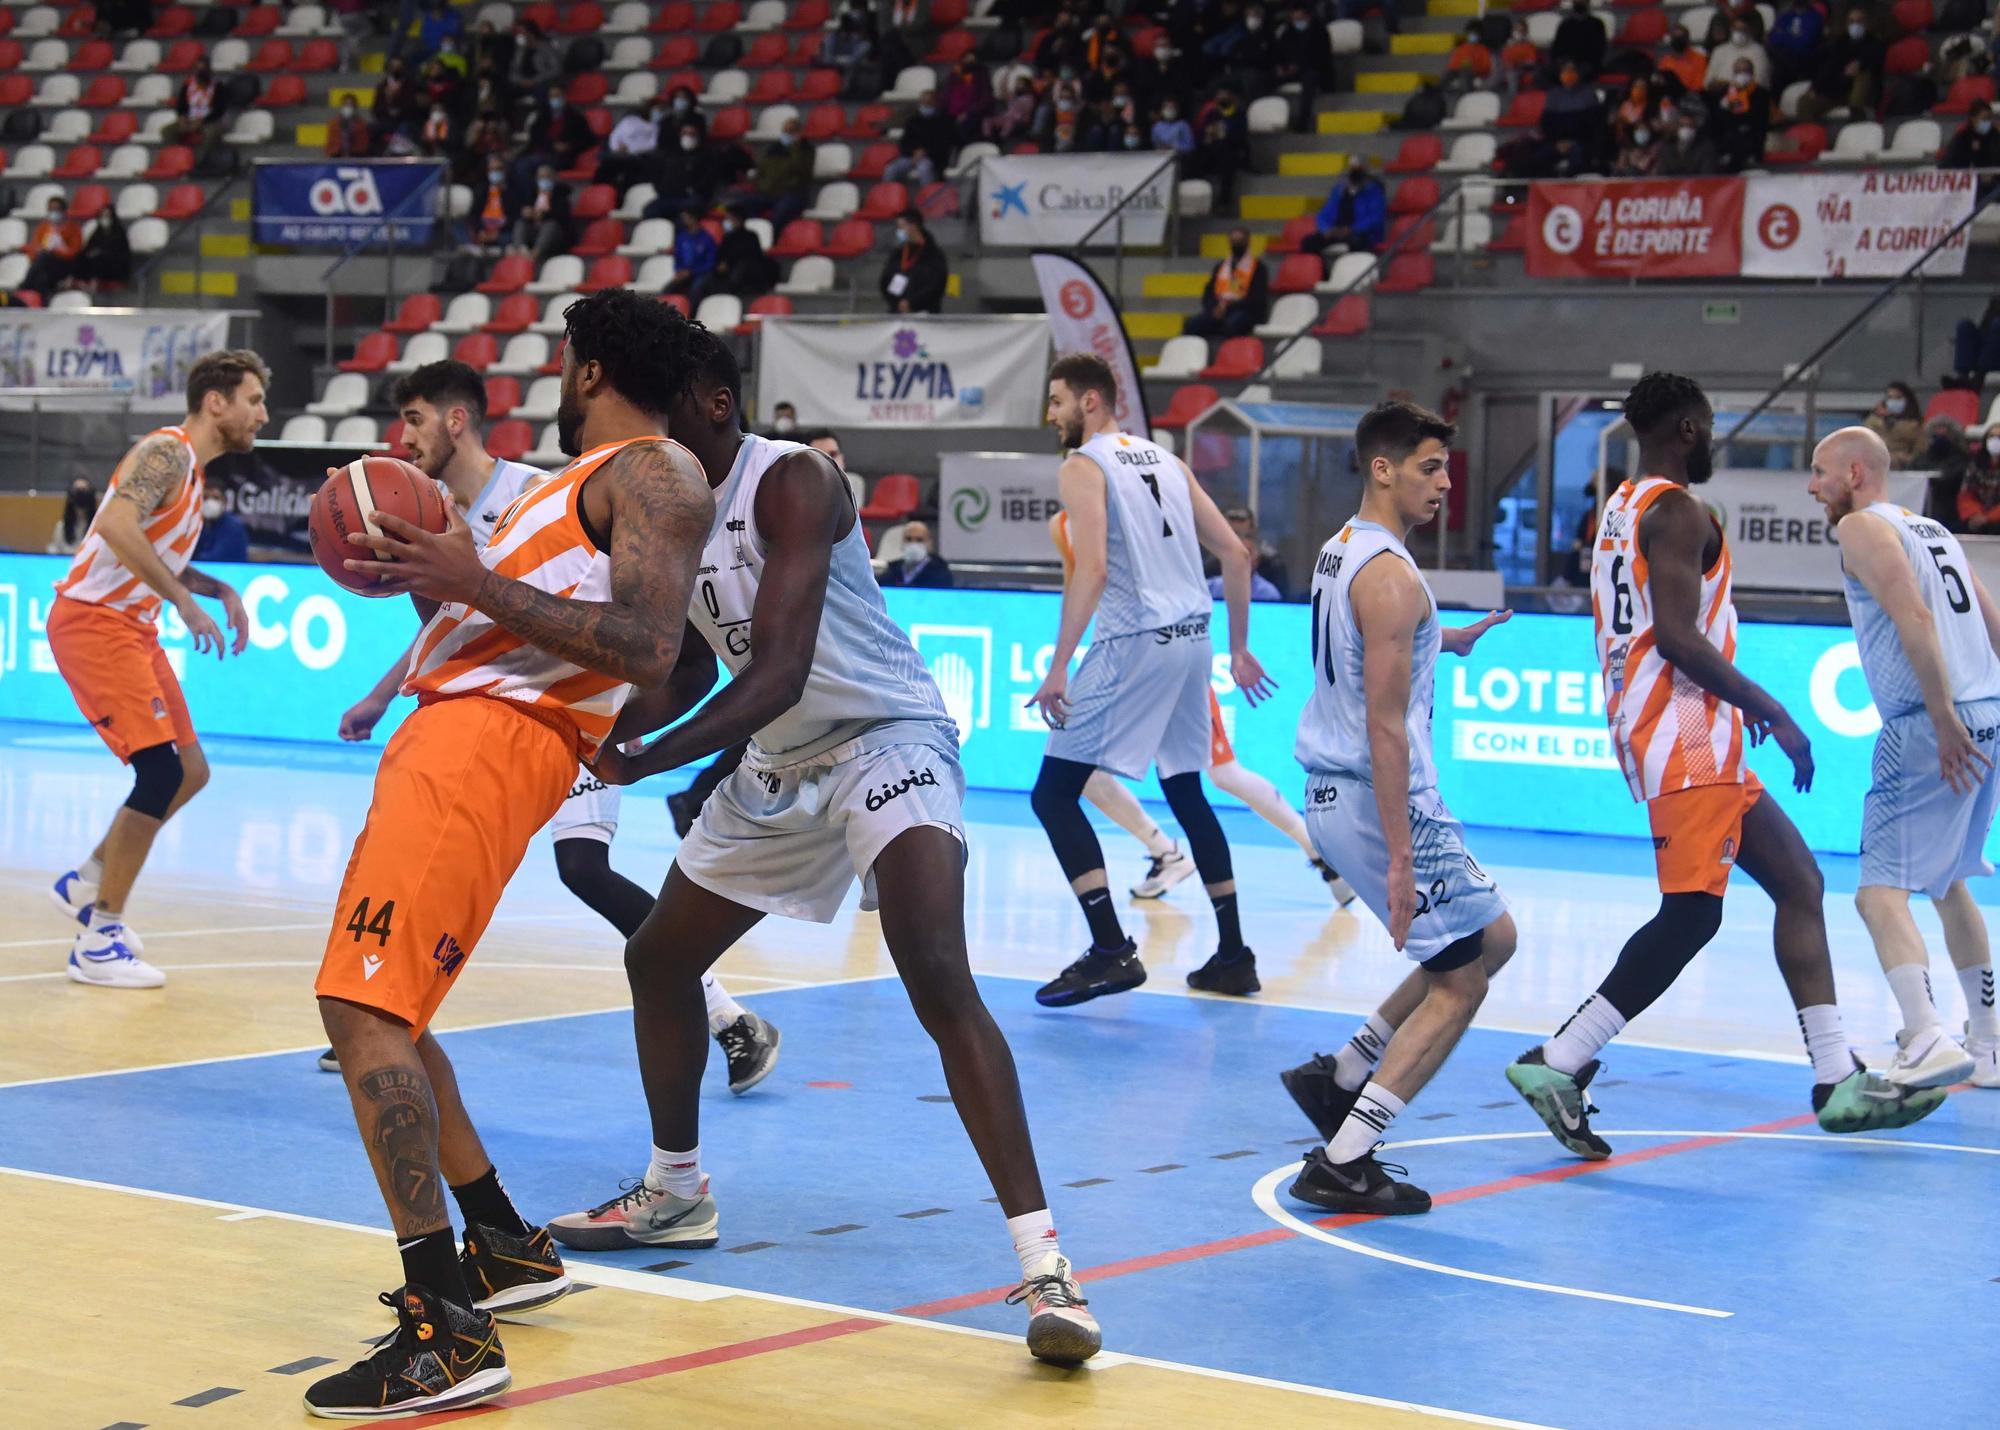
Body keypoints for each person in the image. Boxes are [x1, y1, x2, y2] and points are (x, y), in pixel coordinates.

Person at [548, 316, 1103, 1370]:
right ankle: (673, 1192)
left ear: (712, 406)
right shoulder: (666, 514)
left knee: (933, 964)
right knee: (656, 955)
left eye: (651, 418)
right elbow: (697, 669)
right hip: (777, 762)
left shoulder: (790, 480)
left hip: (885, 734)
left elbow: (780, 672)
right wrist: (596, 729)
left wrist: (641, 757)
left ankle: (1046, 1267)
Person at [301, 292, 719, 1418]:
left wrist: (470, 579)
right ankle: (499, 1240)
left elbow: (654, 643)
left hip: (490, 744)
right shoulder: (566, 484)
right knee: (391, 1006)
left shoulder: (658, 473)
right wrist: (438, 591)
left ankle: (443, 1325)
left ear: (587, 371)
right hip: (456, 730)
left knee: (361, 1010)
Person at [1504, 372, 1945, 1161]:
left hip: (1684, 726)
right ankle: (1561, 1059)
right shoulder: (1677, 511)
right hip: (1683, 730)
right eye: (1706, 427)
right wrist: (1771, 706)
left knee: (1800, 883)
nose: (1713, 439)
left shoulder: (1622, 505)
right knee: (1692, 915)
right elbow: (1675, 635)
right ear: (1685, 429)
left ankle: (1835, 1073)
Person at [328, 359, 781, 1090]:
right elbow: (461, 623)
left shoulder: (539, 494)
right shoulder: (432, 506)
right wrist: (384, 693)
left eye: (414, 418)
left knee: (583, 868)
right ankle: (384, 1003)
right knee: (450, 863)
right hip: (498, 711)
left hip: (569, 705)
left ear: (456, 419)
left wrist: (624, 723)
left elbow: (593, 619)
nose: (401, 436)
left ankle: (728, 1018)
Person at [1278, 402, 1518, 1213]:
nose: (1446, 484)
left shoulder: (1343, 551)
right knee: (1463, 985)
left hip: (1332, 790)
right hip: (1380, 799)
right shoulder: (1389, 576)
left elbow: (1374, 649)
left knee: (1494, 938)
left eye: (1445, 468)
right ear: (1382, 469)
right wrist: (1404, 856)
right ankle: (1345, 1157)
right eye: (1429, 468)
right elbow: (1384, 726)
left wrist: (1445, 640)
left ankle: (1343, 1073)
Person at [1027, 353, 1277, 1005]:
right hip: (1194, 640)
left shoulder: (1083, 466)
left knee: (1054, 796)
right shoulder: (1167, 459)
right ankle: (1233, 954)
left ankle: (1110, 948)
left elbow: (1093, 571)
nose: (1050, 413)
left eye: (1057, 401)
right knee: (1189, 792)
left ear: (1090, 402)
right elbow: (1237, 553)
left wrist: (1058, 667)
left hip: (1133, 640)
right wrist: (1241, 647)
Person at [47, 352, 268, 989]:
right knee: (160, 769)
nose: (263, 413)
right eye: (253, 399)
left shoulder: (193, 478)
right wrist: (182, 599)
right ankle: (100, 937)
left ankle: (86, 880)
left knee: (190, 771)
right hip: (94, 622)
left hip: (132, 627)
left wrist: (215, 588)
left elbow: (152, 546)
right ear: (215, 403)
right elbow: (116, 522)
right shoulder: (165, 453)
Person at [1808, 427, 2000, 1089]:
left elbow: (1914, 616)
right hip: (1989, 710)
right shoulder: (1932, 530)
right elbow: (1988, 612)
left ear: (1855, 473)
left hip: (1930, 721)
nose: (1812, 487)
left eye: (1819, 472)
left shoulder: (1860, 527)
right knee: (1948, 884)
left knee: (1878, 894)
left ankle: (1925, 1035)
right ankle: (1991, 1045)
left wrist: (1943, 717)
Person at [1049, 508, 1358, 908]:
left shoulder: (1134, 512)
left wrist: (1233, 645)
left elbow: (1216, 562)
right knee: (1078, 771)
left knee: (1223, 774)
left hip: (1167, 659)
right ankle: (1166, 853)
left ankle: (1318, 851)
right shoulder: (1062, 525)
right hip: (1118, 665)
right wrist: (1065, 659)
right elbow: (1077, 589)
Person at [1300, 162, 1387, 272]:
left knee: (1358, 243)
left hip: (1361, 233)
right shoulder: (1339, 191)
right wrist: (1326, 229)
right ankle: (1323, 275)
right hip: (1336, 231)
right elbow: (1323, 214)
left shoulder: (1374, 192)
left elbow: (1375, 218)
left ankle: (1351, 274)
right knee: (1308, 243)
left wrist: (1352, 229)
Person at [1184, 228, 1269, 339]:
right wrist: (1214, 308)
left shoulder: (1258, 268)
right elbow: (1208, 293)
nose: (1236, 244)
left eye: (1240, 241)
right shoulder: (1220, 266)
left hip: (1245, 311)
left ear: (1247, 242)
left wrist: (1228, 308)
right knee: (1192, 324)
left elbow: (1256, 299)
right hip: (1219, 309)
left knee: (1233, 324)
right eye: (1234, 241)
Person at [693, 207, 778, 305]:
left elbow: (752, 256)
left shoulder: (751, 236)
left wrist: (729, 263)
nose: (727, 222)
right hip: (725, 274)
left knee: (739, 271)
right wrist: (720, 264)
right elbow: (720, 255)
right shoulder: (728, 237)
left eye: (729, 219)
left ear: (738, 219)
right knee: (702, 282)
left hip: (746, 274)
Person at [743, 117, 815, 228]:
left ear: (799, 133)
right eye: (785, 131)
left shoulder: (806, 150)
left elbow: (803, 171)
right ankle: (753, 233)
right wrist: (762, 187)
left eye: (791, 132)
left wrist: (794, 148)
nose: (787, 135)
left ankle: (772, 239)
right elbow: (760, 172)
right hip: (768, 193)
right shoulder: (773, 149)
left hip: (793, 195)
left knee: (781, 211)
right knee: (744, 205)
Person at [1273, 3, 1334, 132]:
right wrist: (1281, 67)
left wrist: (1299, 67)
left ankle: (1302, 122)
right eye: (1295, 19)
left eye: (1300, 19)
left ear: (1308, 16)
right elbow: (1279, 53)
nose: (1297, 22)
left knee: (1310, 77)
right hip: (1290, 71)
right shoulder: (1287, 32)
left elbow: (1322, 58)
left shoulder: (1319, 31)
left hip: (1315, 71)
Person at [885, 89, 959, 187]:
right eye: (923, 103)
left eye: (928, 103)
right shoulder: (913, 121)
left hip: (934, 158)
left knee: (923, 168)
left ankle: (928, 199)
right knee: (891, 169)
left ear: (935, 103)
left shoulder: (944, 122)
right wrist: (914, 152)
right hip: (912, 156)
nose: (925, 106)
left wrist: (925, 152)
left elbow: (944, 144)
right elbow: (904, 142)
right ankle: (889, 196)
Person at [880, 209, 949, 314]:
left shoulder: (934, 254)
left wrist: (912, 303)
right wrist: (897, 303)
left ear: (913, 226)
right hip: (897, 313)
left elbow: (936, 286)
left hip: (927, 315)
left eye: (901, 227)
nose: (898, 232)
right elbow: (885, 282)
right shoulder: (897, 254)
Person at [20, 195, 84, 301]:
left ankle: (25, 285)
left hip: (64, 264)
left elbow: (75, 252)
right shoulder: (43, 228)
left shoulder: (73, 228)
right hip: (45, 265)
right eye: (51, 209)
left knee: (44, 257)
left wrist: (57, 250)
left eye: (56, 209)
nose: (53, 212)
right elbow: (34, 247)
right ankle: (43, 303)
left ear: (63, 211)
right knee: (42, 275)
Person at [1714, 60, 1772, 171]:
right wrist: (1723, 107)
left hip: (1751, 139)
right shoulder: (1725, 93)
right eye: (1738, 71)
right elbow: (1719, 121)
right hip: (1728, 141)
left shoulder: (1761, 93)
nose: (1742, 74)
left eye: (1745, 71)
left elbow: (1757, 120)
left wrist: (1739, 97)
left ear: (1752, 73)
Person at [597, 101, 664, 194]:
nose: (658, 112)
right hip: (618, 154)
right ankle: (598, 191)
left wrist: (630, 149)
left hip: (637, 157)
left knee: (630, 172)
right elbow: (615, 135)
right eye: (656, 110)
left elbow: (652, 145)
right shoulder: (629, 120)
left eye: (661, 110)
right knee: (606, 166)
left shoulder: (656, 127)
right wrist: (616, 147)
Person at [509, 166, 573, 265]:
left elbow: (563, 217)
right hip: (534, 231)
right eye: (541, 177)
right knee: (520, 223)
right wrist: (526, 213)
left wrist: (545, 214)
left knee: (550, 225)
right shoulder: (531, 194)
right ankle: (520, 251)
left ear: (554, 178)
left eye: (547, 177)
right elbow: (518, 211)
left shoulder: (561, 194)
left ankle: (533, 256)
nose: (544, 180)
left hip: (555, 236)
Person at [1767, 0, 1826, 91]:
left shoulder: (1815, 17)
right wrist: (1793, 37)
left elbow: (1805, 43)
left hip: (1803, 60)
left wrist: (1783, 35)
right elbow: (1772, 38)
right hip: (1782, 58)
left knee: (1780, 70)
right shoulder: (1786, 15)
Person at [1866, 382, 1925, 468]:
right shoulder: (1873, 422)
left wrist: (1901, 458)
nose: (1893, 402)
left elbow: (1920, 452)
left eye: (1898, 398)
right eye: (1890, 398)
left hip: (1904, 469)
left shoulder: (1915, 425)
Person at [881, 519, 953, 587]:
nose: (913, 544)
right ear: (902, 542)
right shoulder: (891, 572)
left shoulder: (941, 574)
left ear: (929, 544)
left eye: (919, 540)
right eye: (909, 539)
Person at [664, 208, 719, 297]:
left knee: (696, 289)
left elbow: (710, 263)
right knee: (667, 290)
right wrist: (679, 270)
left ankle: (693, 310)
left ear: (694, 218)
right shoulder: (681, 237)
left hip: (701, 273)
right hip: (684, 273)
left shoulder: (707, 239)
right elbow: (678, 258)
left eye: (686, 217)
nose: (683, 220)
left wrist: (692, 272)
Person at [1949, 297, 2000, 390]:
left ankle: (1979, 377)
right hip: (1990, 349)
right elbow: (1984, 329)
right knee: (1964, 325)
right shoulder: (1996, 302)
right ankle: (1963, 377)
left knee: (1997, 326)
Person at [1550, 0, 1607, 78]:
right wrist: (1566, 62)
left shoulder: (1597, 24)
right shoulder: (1565, 25)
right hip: (1565, 63)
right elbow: (1557, 49)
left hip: (1587, 64)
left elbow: (1598, 50)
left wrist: (1575, 64)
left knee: (1579, 73)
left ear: (1588, 2)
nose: (1579, 2)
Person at [1706, 19, 1770, 88]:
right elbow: (1708, 81)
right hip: (1721, 94)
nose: (1739, 32)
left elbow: (1760, 81)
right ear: (1731, 29)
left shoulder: (1759, 51)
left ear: (1749, 30)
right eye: (1736, 28)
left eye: (1742, 29)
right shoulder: (1718, 51)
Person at [1957, 432, 2000, 532]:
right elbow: (1966, 495)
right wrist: (1975, 513)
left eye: (1999, 437)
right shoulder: (1975, 465)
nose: (1995, 440)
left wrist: (1988, 517)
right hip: (1978, 516)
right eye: (1992, 436)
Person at [1944, 101, 2000, 175]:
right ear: (1973, 119)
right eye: (1984, 119)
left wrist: (1993, 176)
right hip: (1968, 180)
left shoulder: (1995, 136)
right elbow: (1947, 164)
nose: (1987, 122)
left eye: (1989, 119)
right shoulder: (1963, 137)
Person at [193, 489, 248, 562]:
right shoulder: (199, 523)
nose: (210, 502)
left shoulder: (233, 526)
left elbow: (216, 558)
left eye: (215, 498)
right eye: (205, 498)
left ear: (224, 502)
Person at [48, 477, 99, 556]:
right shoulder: (61, 527)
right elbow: (55, 552)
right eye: (77, 492)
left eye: (84, 491)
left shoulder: (98, 529)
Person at [1656, 25, 1708, 92]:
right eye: (1675, 38)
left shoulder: (1699, 59)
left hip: (1690, 98)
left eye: (1681, 38)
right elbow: (1660, 83)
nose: (1678, 40)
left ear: (1687, 39)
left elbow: (1698, 86)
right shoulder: (1665, 60)